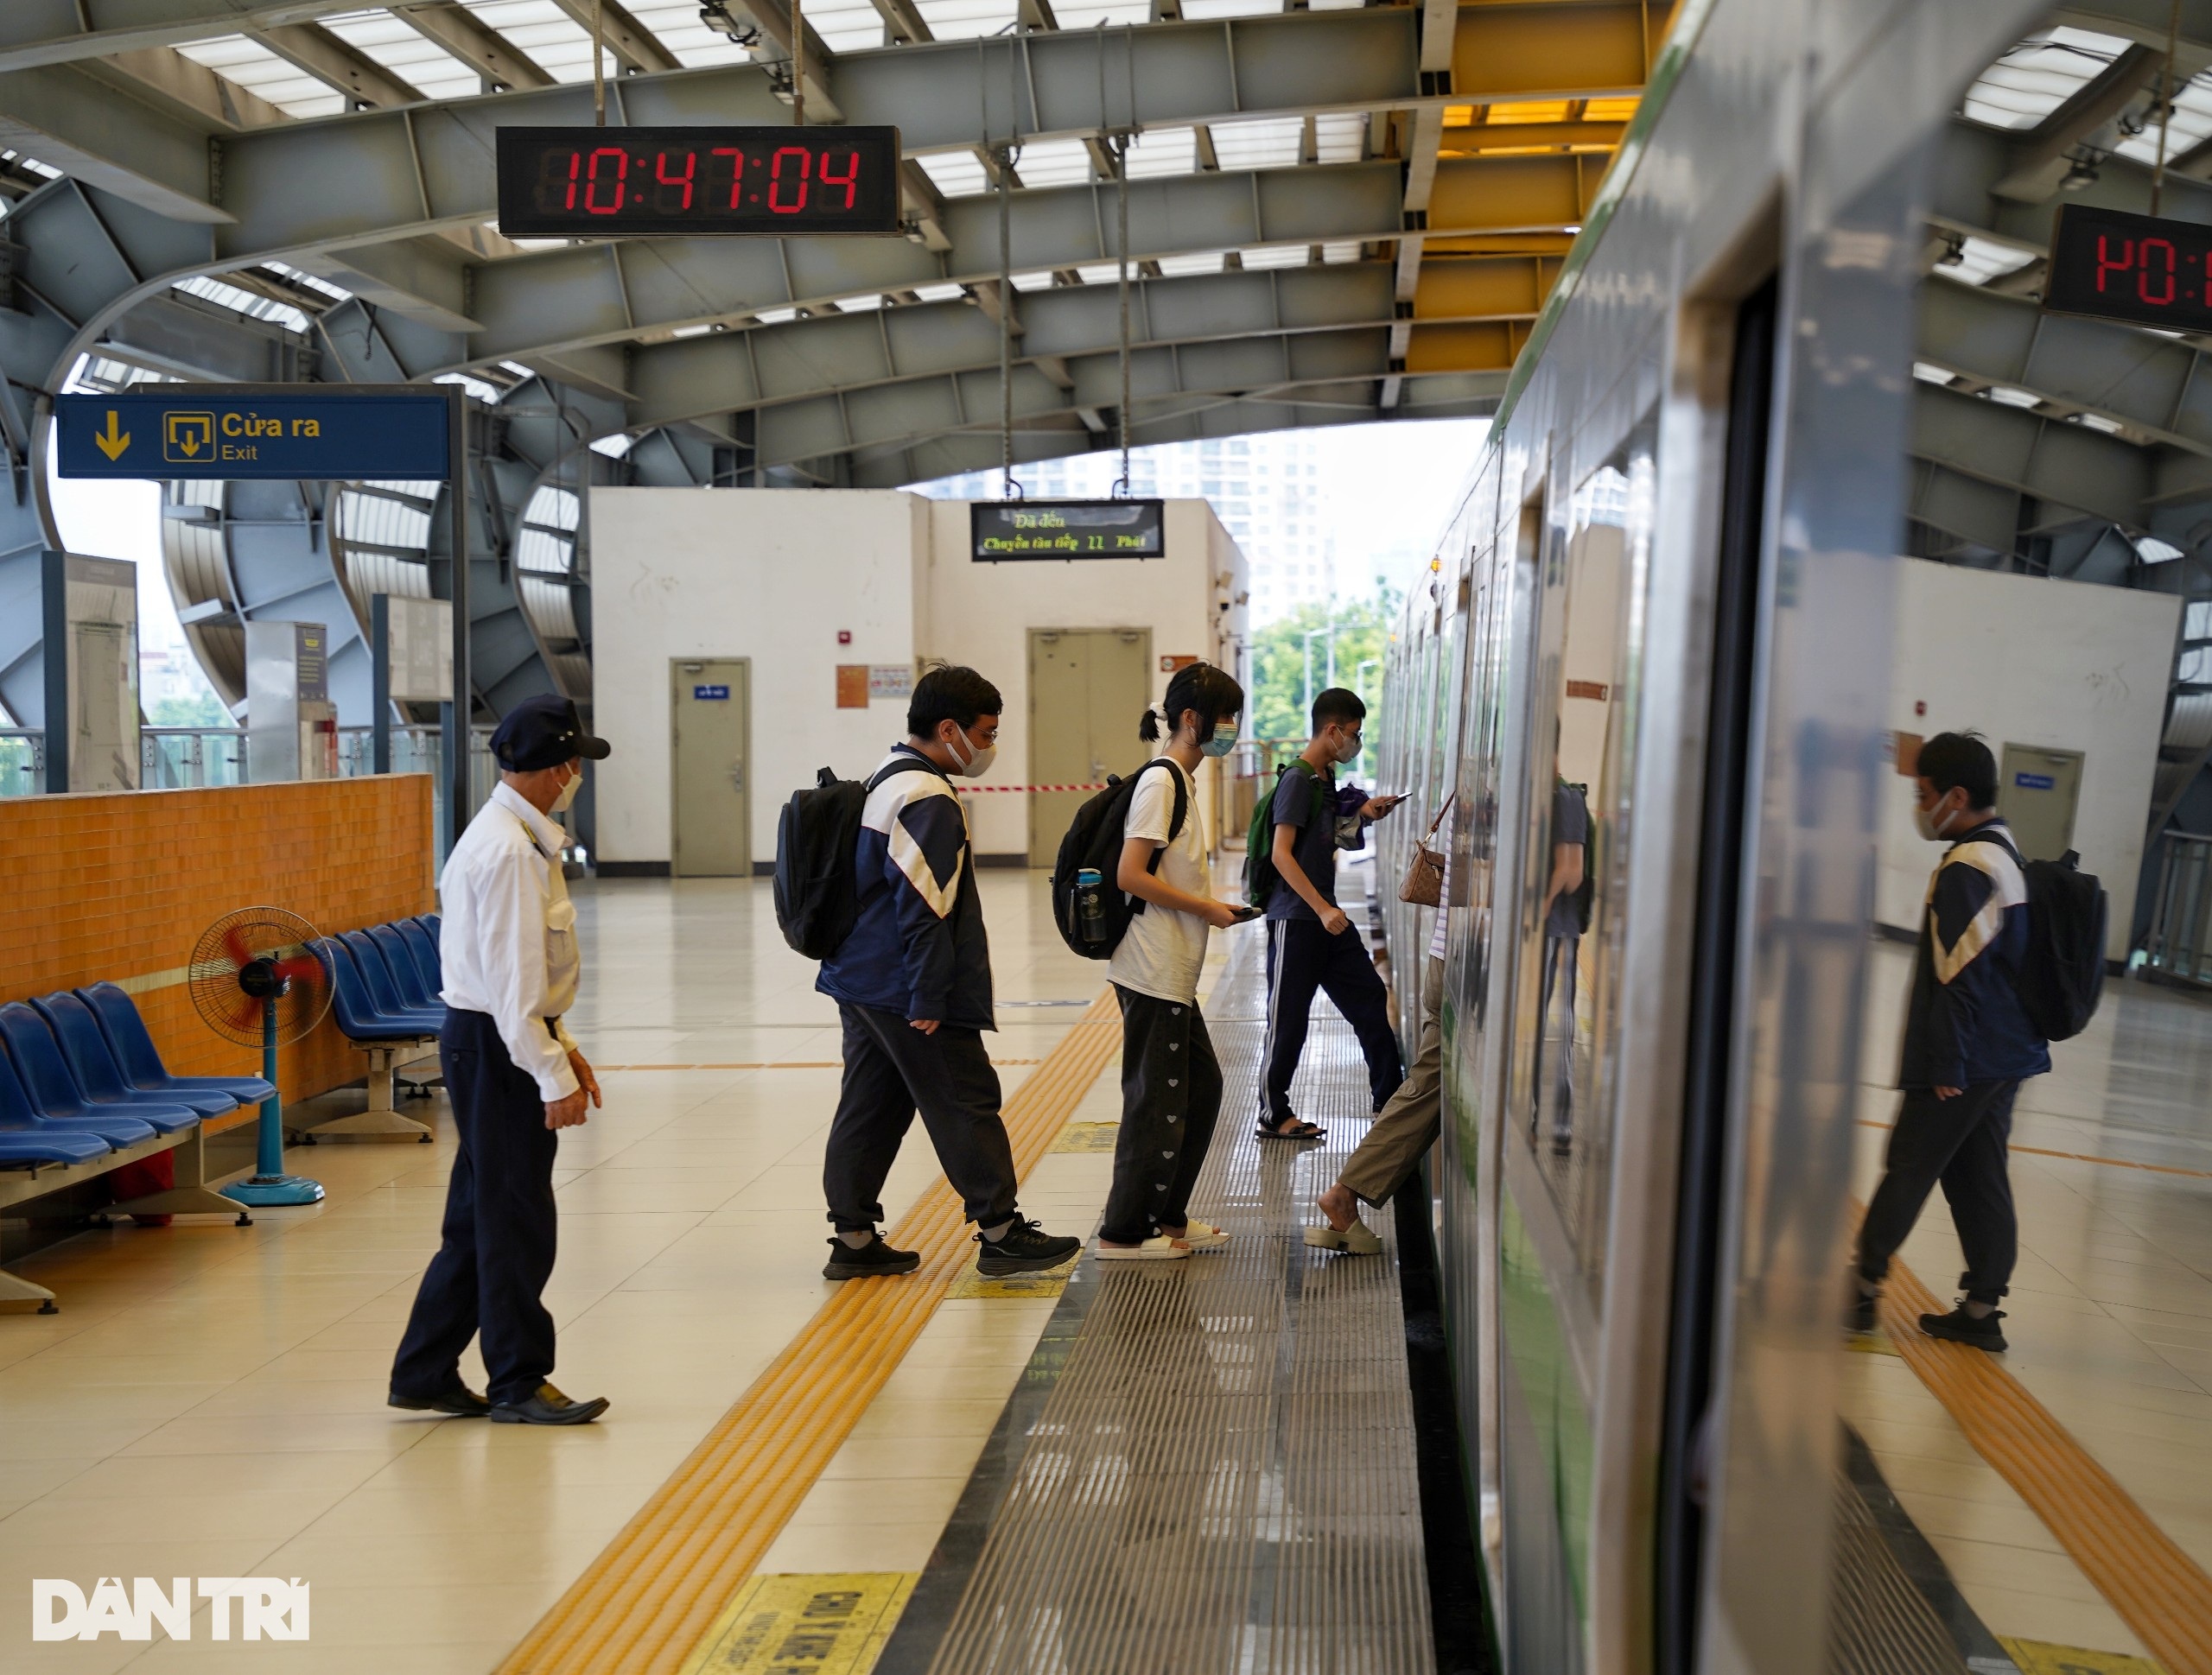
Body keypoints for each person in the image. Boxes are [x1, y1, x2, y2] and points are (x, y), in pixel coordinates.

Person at [816, 665, 1084, 1280]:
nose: (990, 746)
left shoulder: (888, 775)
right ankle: (1001, 1231)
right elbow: (923, 902)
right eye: (985, 733)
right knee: (965, 1097)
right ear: (947, 729)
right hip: (902, 984)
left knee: (871, 1102)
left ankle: (853, 1237)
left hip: (860, 976)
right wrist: (930, 993)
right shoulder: (928, 795)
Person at [391, 695, 612, 1425]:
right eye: (573, 763)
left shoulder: (508, 835)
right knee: (516, 1216)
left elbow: (520, 980)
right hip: (497, 1044)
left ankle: (424, 1368)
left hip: (491, 1037)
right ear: (554, 769)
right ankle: (518, 1379)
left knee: (479, 1216)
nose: (576, 775)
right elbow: (517, 984)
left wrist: (565, 1049)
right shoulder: (512, 851)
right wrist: (548, 1072)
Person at [1850, 731, 2050, 1353]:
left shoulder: (1968, 866)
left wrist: (1947, 1062)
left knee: (1909, 1164)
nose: (1920, 805)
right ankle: (1982, 1307)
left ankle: (1859, 1288)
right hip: (2007, 1052)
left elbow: (1959, 976)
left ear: (1956, 796)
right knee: (1978, 1174)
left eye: (1925, 793)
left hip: (1969, 1055)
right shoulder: (2005, 853)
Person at [1096, 663, 1251, 1261]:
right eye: (1226, 717)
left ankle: (1169, 1216)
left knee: (1201, 1087)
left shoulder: (1183, 779)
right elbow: (1130, 873)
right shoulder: (1162, 781)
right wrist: (1207, 908)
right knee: (1154, 1100)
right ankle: (1123, 1233)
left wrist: (1210, 908)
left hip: (1173, 971)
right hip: (1151, 966)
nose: (1232, 729)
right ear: (1192, 719)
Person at [1258, 687, 1406, 1140]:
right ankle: (1273, 1113)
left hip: (1327, 919)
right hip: (1298, 920)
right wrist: (1322, 909)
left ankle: (1390, 1101)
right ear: (1333, 729)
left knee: (1369, 1002)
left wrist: (1363, 812)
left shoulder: (1321, 780)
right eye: (1354, 734)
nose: (1354, 742)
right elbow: (1283, 855)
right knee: (1288, 1021)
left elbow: (1323, 840)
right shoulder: (1297, 781)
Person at [1309, 843, 1453, 1253]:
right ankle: (1345, 1191)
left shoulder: (1478, 795)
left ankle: (1347, 1190)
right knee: (1430, 1083)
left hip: (1448, 954)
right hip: (1465, 956)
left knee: (1430, 1081)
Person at [1529, 746, 1589, 1156]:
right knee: (1531, 1026)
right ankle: (1531, 1117)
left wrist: (1541, 908)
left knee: (1561, 1025)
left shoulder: (1567, 797)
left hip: (1558, 929)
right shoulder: (1535, 796)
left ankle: (1561, 1125)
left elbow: (1572, 869)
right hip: (1541, 928)